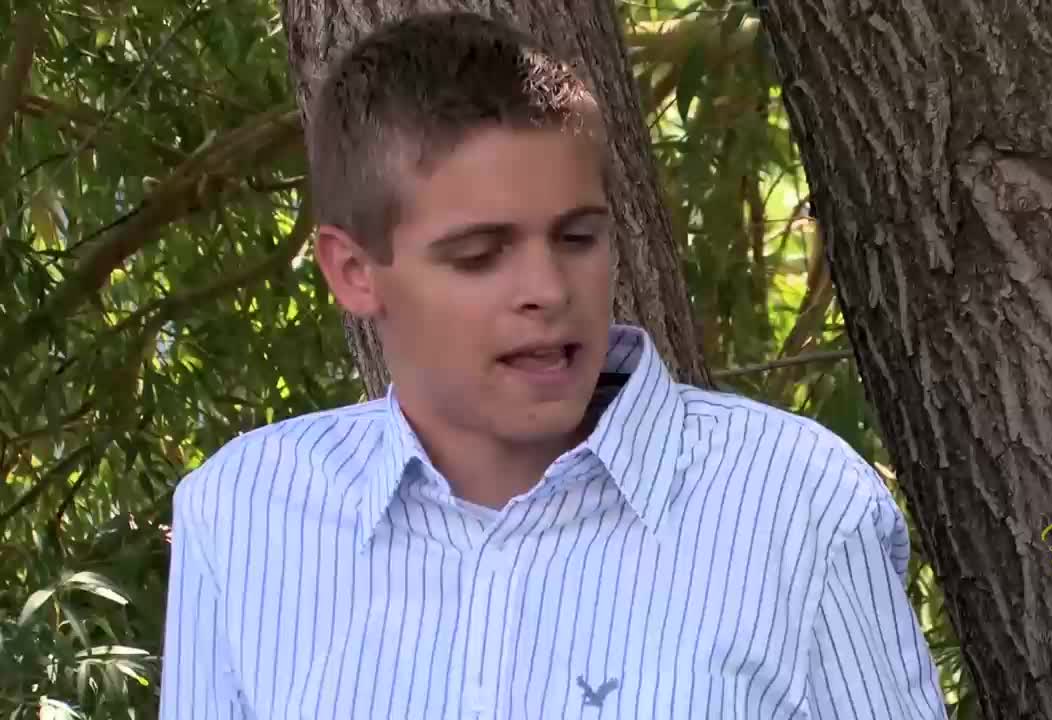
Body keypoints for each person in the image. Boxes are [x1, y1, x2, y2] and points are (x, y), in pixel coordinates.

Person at [158, 10, 947, 719]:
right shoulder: (244, 516)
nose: (545, 290)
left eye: (577, 239)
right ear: (354, 272)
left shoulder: (796, 505)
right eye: (479, 255)